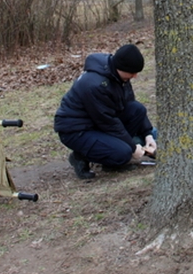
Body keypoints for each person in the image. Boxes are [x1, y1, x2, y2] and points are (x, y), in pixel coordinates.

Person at [54, 43, 157, 179]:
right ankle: (80, 156)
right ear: (121, 68)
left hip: (97, 123)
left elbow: (130, 104)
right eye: (132, 73)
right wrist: (133, 148)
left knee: (137, 109)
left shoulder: (120, 77)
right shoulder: (95, 85)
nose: (135, 76)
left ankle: (111, 152)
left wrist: (147, 134)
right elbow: (108, 122)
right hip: (76, 130)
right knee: (123, 153)